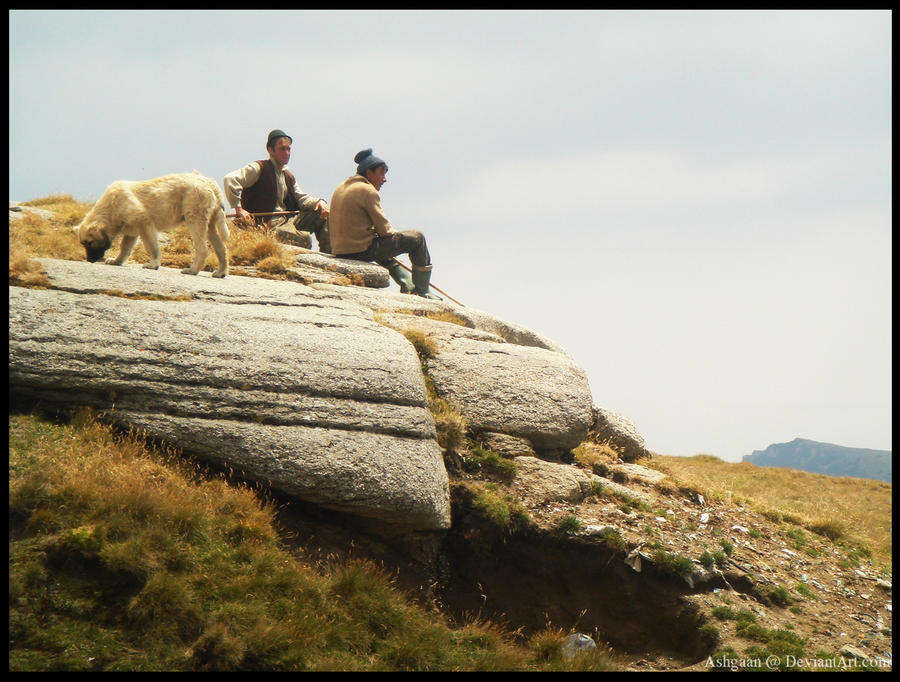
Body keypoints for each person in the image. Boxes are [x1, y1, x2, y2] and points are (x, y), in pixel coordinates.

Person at [329, 149, 439, 299]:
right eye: (381, 173)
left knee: (380, 246)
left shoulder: (341, 187)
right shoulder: (367, 190)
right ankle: (422, 291)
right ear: (369, 173)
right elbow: (385, 231)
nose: (384, 179)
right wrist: (397, 238)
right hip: (358, 251)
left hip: (340, 249)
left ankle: (407, 283)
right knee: (416, 238)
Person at [223, 129, 331, 252]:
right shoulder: (259, 167)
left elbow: (301, 198)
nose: (287, 153)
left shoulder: (287, 176)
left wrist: (319, 202)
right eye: (282, 149)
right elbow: (230, 179)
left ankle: (328, 255)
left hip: (287, 222)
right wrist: (239, 209)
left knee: (321, 214)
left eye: (288, 149)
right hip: (267, 227)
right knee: (305, 239)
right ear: (270, 150)